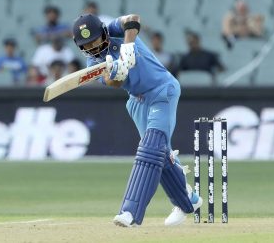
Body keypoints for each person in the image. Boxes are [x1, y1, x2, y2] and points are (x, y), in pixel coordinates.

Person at [72, 14, 202, 227]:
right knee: (160, 155)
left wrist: (128, 47)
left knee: (150, 148)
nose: (93, 48)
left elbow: (132, 19)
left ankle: (129, 212)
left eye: (95, 40)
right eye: (87, 45)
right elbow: (112, 82)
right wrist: (117, 72)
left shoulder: (115, 30)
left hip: (162, 90)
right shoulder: (93, 62)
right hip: (138, 101)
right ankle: (188, 200)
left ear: (103, 32)